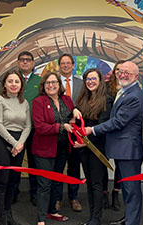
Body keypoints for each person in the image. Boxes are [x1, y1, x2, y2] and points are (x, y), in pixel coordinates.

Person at [86, 61, 143, 225]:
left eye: (128, 73)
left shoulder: (134, 95)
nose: (123, 75)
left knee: (131, 190)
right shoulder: (125, 91)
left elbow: (118, 122)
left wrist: (93, 130)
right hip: (122, 149)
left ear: (135, 76)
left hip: (129, 150)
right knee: (127, 189)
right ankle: (129, 219)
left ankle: (132, 222)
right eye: (121, 71)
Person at [31, 72, 80, 224]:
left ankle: (53, 211)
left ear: (59, 85)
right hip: (44, 150)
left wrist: (76, 110)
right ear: (43, 86)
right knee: (44, 184)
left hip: (63, 148)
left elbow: (72, 115)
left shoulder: (66, 99)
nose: (51, 85)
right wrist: (61, 127)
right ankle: (41, 218)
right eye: (47, 83)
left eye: (54, 82)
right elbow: (40, 127)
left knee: (57, 180)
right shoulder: (38, 101)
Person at [73, 68, 114, 225]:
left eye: (93, 79)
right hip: (84, 148)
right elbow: (78, 121)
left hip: (98, 148)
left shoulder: (107, 100)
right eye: (87, 79)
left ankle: (96, 218)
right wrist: (74, 110)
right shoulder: (83, 99)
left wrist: (86, 142)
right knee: (89, 183)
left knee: (97, 183)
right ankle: (92, 217)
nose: (90, 82)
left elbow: (103, 126)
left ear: (100, 80)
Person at [0, 70, 31, 225]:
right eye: (10, 81)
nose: (13, 84)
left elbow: (27, 126)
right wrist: (14, 143)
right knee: (2, 182)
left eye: (17, 82)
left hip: (19, 143)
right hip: (2, 142)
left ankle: (9, 214)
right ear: (5, 84)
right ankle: (1, 217)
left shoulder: (24, 102)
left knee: (13, 181)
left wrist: (20, 143)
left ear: (21, 85)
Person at [54, 53, 84, 212]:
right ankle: (57, 199)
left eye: (68, 63)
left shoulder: (82, 83)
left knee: (74, 167)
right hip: (59, 132)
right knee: (58, 167)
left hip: (77, 133)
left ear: (73, 65)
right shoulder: (54, 83)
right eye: (62, 63)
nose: (65, 66)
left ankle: (74, 198)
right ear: (59, 66)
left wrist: (77, 119)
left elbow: (85, 104)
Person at [12, 51, 41, 206]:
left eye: (28, 60)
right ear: (18, 62)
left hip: (35, 129)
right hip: (16, 128)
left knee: (34, 162)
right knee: (16, 161)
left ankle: (34, 193)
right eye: (22, 60)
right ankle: (13, 191)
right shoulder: (12, 79)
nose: (25, 62)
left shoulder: (39, 80)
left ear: (33, 63)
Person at [105, 60, 125, 211]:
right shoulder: (105, 88)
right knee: (102, 164)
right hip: (104, 131)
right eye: (117, 69)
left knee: (120, 166)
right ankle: (104, 193)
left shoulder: (130, 88)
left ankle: (116, 193)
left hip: (121, 132)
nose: (120, 72)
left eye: (122, 70)